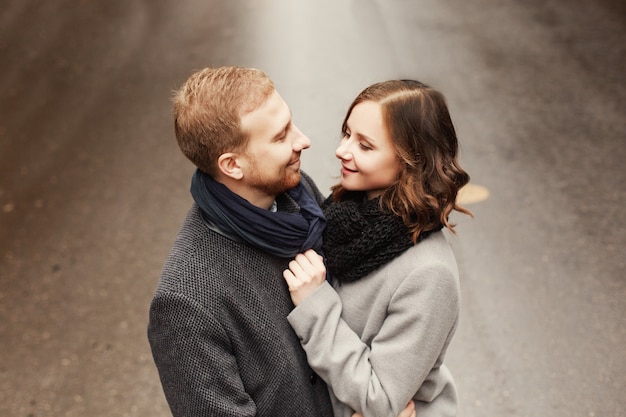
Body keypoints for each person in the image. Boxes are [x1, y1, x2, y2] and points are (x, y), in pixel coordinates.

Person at [147, 66, 417, 417]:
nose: (302, 140)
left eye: (291, 124)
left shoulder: (298, 195)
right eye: (280, 137)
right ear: (232, 165)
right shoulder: (187, 300)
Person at [283, 79, 472, 417]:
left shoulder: (429, 274)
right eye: (347, 134)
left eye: (365, 146)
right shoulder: (343, 218)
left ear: (410, 162)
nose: (343, 150)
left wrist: (314, 307)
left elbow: (381, 400)